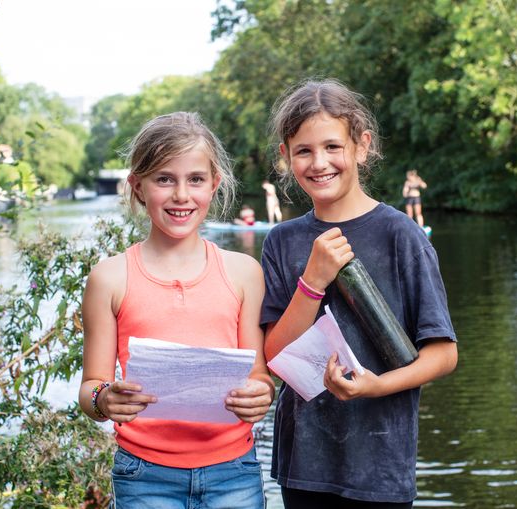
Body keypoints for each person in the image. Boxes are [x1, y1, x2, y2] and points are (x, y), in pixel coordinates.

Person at [260, 79, 458, 509]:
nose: (319, 162)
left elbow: (443, 354)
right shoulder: (281, 241)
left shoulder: (401, 236)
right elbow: (275, 357)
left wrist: (376, 386)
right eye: (304, 151)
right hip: (304, 467)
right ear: (286, 157)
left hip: (381, 465)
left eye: (333, 146)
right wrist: (312, 281)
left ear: (362, 146)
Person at [79, 112, 274, 509]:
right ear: (137, 186)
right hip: (144, 474)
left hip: (234, 471)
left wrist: (261, 394)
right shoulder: (109, 278)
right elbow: (92, 386)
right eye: (164, 179)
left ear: (214, 185)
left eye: (195, 180)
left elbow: (259, 377)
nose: (181, 195)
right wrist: (104, 399)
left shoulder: (244, 272)